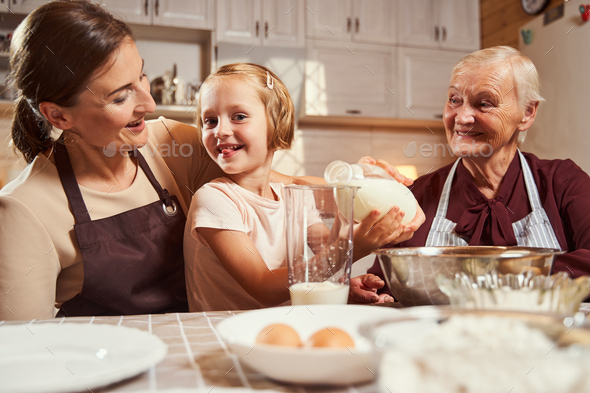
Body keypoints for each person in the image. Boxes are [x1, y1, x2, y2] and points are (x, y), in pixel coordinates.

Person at [0, 1, 418, 321]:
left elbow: (269, 179)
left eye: (141, 76)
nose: (149, 102)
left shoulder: (168, 144)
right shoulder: (24, 211)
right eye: (120, 95)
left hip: (199, 345)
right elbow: (22, 350)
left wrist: (357, 187)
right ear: (57, 114)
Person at [183, 64, 408, 311]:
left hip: (283, 328)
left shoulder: (294, 196)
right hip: (220, 334)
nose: (221, 131)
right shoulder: (214, 199)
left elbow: (325, 254)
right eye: (210, 121)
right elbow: (264, 286)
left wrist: (332, 286)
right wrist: (348, 251)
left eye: (238, 116)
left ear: (276, 122)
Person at [369, 46, 590, 289]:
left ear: (527, 113)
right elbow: (382, 282)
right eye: (454, 100)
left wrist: (491, 275)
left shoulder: (563, 182)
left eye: (484, 103)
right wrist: (366, 288)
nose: (462, 118)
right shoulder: (418, 195)